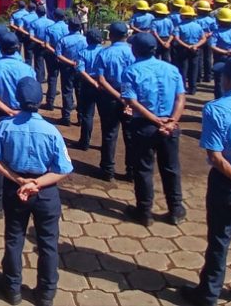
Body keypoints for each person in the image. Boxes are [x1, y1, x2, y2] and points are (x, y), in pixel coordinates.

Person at [0, 77, 73, 306]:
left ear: (18, 99)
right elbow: (64, 168)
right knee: (48, 242)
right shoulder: (51, 131)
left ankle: (12, 288)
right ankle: (46, 293)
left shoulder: (4, 126)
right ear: (41, 100)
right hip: (45, 192)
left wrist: (18, 180)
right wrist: (37, 183)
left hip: (15, 189)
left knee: (14, 238)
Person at [181, 56, 231, 306]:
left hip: (227, 183)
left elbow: (216, 156)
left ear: (228, 79)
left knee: (219, 238)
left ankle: (208, 293)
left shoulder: (216, 108)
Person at [121, 33, 186, 227]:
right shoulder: (172, 69)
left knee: (143, 169)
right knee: (171, 167)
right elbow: (180, 98)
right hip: (170, 126)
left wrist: (155, 120)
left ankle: (144, 211)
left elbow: (131, 101)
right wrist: (171, 121)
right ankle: (175, 209)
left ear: (135, 50)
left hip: (144, 126)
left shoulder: (131, 71)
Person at [0, 32, 36, 218]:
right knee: (18, 153)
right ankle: (16, 197)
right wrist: (14, 111)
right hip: (21, 115)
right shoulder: (27, 69)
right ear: (17, 48)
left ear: (0, 48)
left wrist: (6, 109)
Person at [96, 22, 135, 182]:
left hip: (109, 97)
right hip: (132, 99)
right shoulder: (134, 52)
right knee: (130, 135)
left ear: (110, 35)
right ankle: (131, 171)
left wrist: (118, 96)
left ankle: (108, 170)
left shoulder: (104, 53)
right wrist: (128, 99)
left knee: (109, 134)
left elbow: (101, 79)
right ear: (126, 35)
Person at [74, 28, 104, 150]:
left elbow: (80, 70)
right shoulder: (104, 51)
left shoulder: (82, 52)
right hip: (103, 86)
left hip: (87, 85)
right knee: (105, 116)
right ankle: (105, 144)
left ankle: (84, 142)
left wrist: (92, 82)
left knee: (87, 115)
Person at [55, 17, 87, 126]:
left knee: (67, 92)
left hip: (67, 69)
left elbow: (58, 55)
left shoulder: (63, 40)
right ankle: (81, 118)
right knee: (80, 93)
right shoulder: (84, 39)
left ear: (69, 27)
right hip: (81, 70)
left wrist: (70, 62)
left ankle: (66, 117)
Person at [173, 5, 207, 95]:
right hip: (196, 49)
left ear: (183, 15)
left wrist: (187, 46)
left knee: (183, 69)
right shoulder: (198, 26)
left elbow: (177, 38)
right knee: (194, 68)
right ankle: (193, 88)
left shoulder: (179, 26)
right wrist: (195, 46)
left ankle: (183, 88)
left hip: (183, 49)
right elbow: (203, 38)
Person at [42, 9, 69, 111]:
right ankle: (68, 105)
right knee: (66, 82)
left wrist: (56, 52)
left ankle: (50, 102)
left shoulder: (50, 28)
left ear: (55, 16)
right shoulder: (68, 28)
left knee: (52, 78)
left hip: (52, 55)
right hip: (66, 57)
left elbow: (47, 44)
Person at [28, 5, 53, 83]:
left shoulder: (33, 23)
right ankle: (52, 87)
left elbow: (31, 37)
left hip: (38, 46)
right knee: (50, 66)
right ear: (45, 12)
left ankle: (39, 84)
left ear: (37, 13)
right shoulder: (52, 23)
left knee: (39, 66)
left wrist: (40, 42)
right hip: (49, 47)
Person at [195, 0, 216, 83]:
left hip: (199, 40)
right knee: (208, 58)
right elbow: (215, 30)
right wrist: (208, 34)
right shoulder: (211, 20)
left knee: (199, 58)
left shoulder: (196, 20)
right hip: (208, 40)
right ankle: (208, 77)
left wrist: (203, 35)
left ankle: (198, 77)